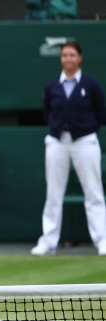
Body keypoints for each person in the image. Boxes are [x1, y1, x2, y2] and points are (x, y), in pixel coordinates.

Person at [30, 41, 106, 256]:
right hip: (57, 141)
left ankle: (102, 240)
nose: (68, 59)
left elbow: (100, 113)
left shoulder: (91, 85)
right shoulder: (52, 85)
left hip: (85, 141)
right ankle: (48, 242)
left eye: (72, 55)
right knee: (53, 193)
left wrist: (84, 130)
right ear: (61, 58)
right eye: (65, 55)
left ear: (79, 58)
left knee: (94, 192)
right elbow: (47, 112)